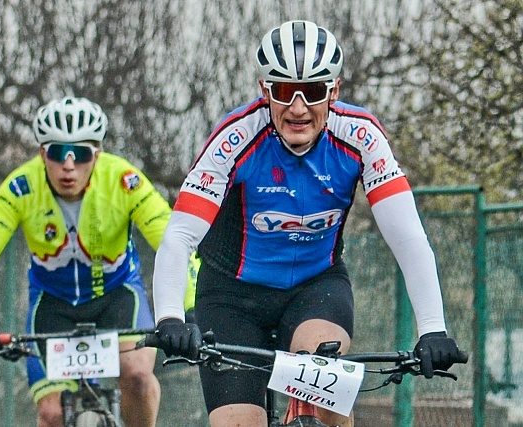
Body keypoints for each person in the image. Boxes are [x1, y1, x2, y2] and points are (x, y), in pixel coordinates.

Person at [151, 20, 464, 427]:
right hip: (231, 296)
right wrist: (170, 319)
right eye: (284, 91)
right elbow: (179, 236)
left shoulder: (361, 137)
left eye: (313, 91)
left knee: (325, 397)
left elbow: (408, 239)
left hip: (315, 289)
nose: (298, 108)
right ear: (264, 90)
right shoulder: (234, 138)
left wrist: (433, 329)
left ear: (334, 91)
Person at [0, 96, 197, 427]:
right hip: (54, 306)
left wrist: (191, 306)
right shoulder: (20, 188)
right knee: (52, 414)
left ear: (97, 154)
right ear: (42, 154)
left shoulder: (123, 181)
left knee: (138, 379)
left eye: (80, 154)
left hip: (116, 298)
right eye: (57, 153)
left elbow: (173, 243)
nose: (68, 165)